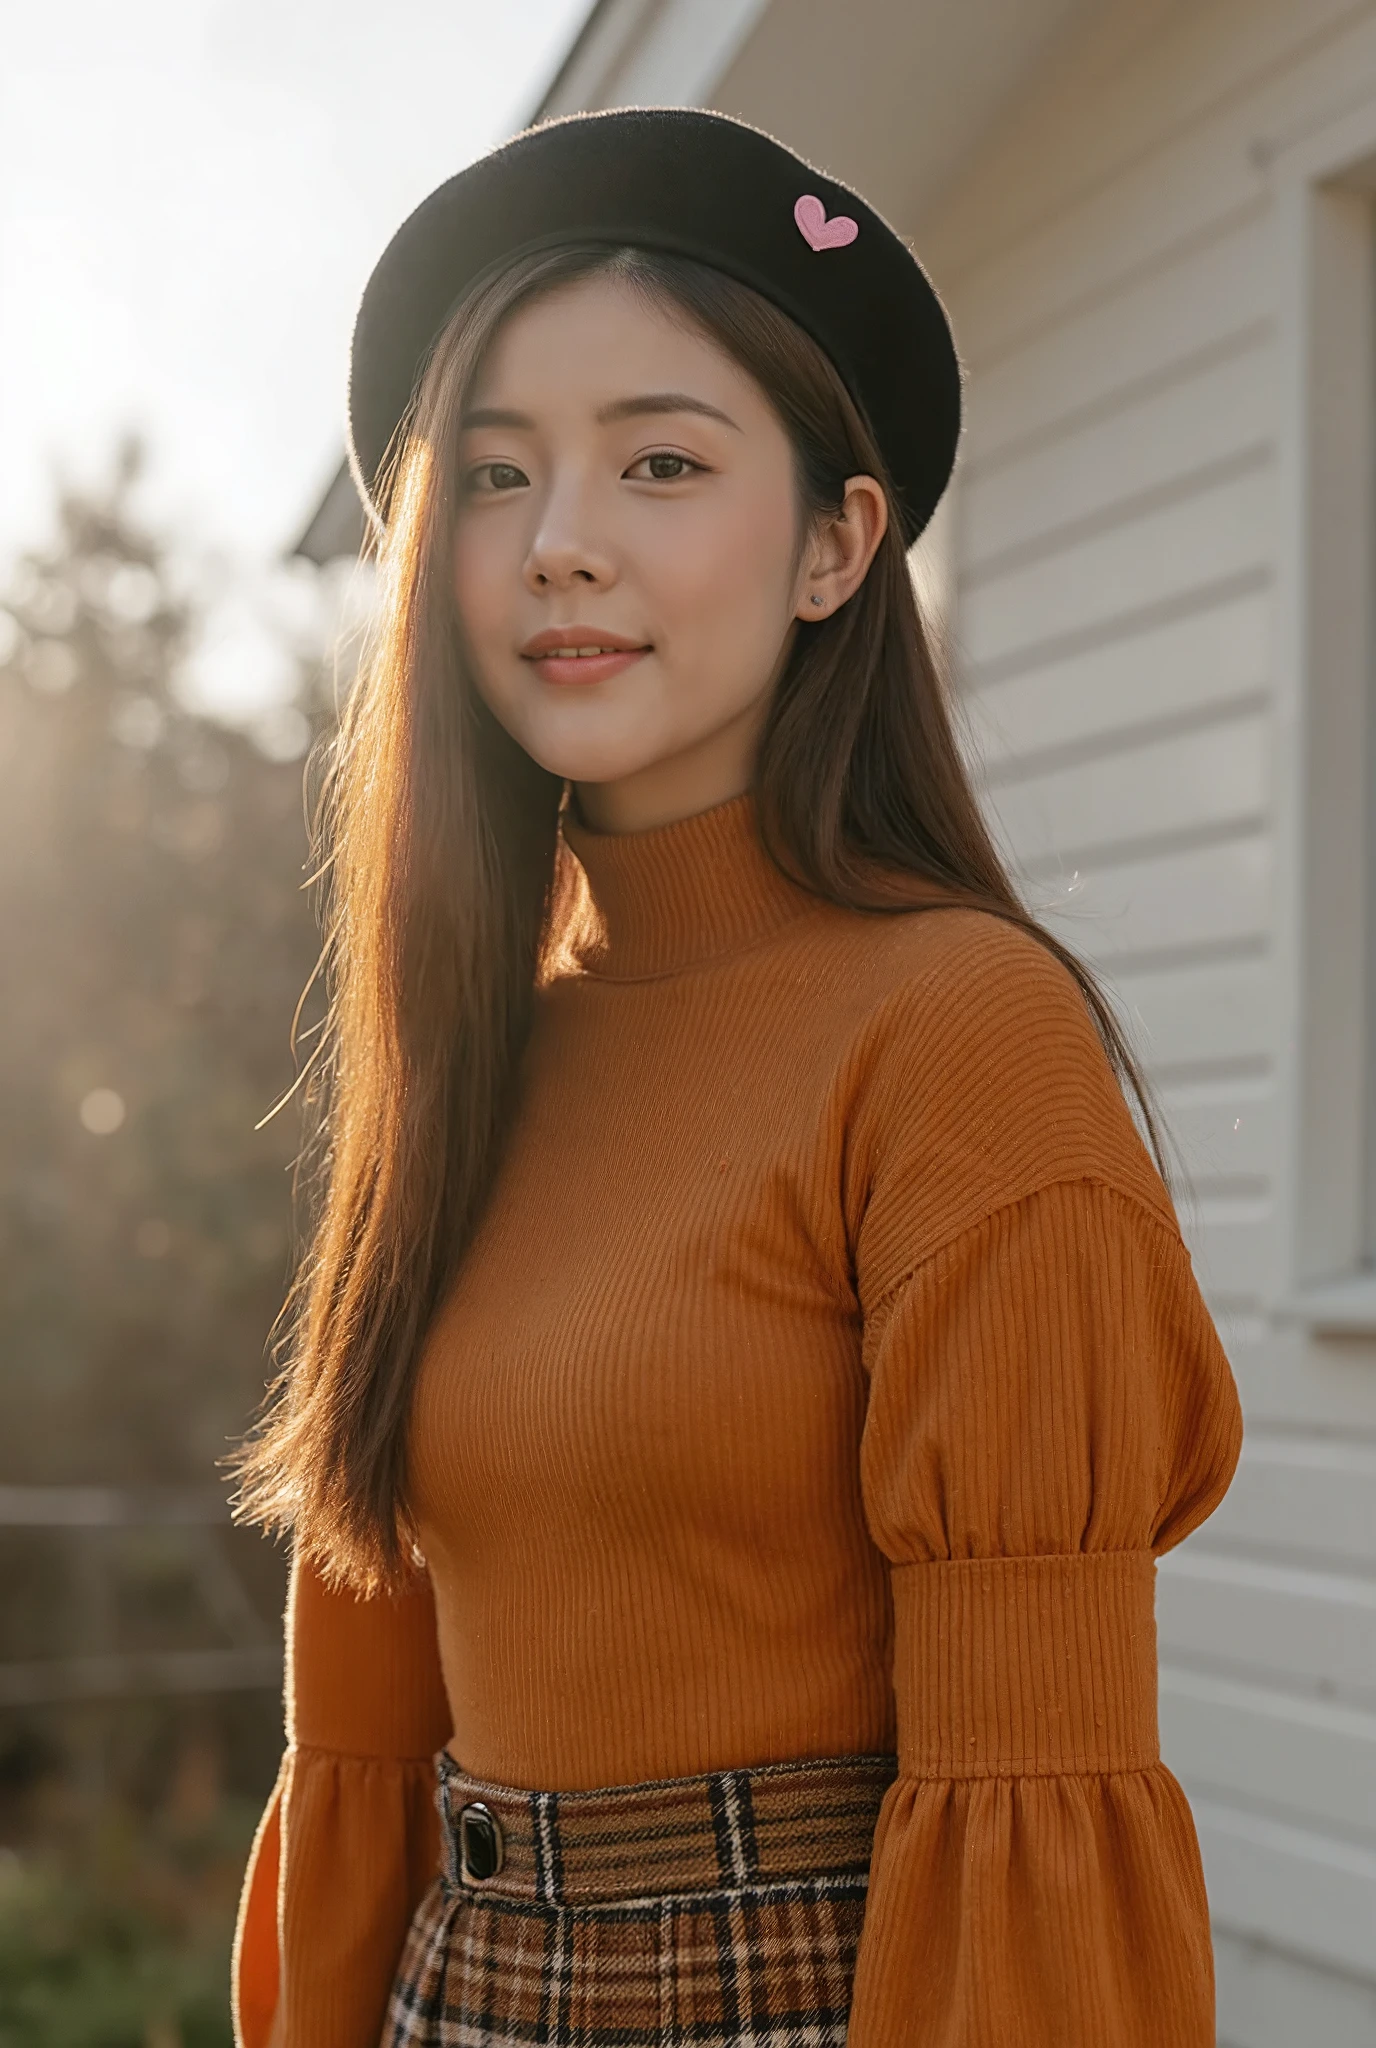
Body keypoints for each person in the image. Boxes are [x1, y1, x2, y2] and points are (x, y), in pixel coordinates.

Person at [229, 107, 1243, 2048]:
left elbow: (1038, 1806)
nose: (564, 542)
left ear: (834, 543)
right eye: (500, 472)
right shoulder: (467, 1051)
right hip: (465, 1999)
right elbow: (364, 1728)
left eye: (662, 462)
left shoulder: (956, 1040)